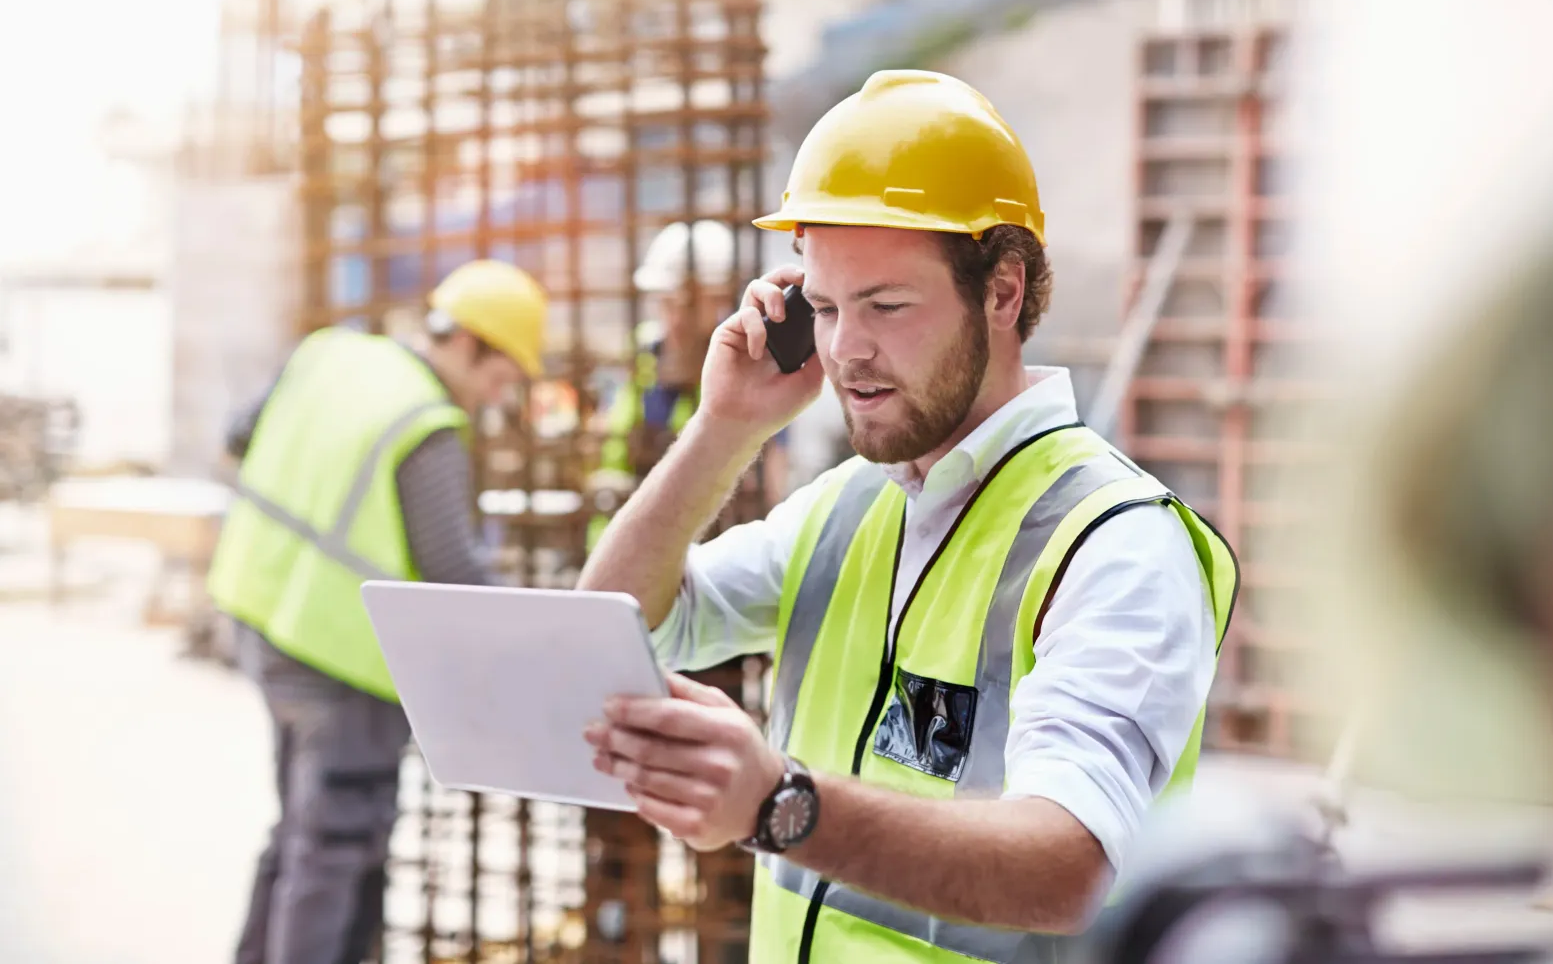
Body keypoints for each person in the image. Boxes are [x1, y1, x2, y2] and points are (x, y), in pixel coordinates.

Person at [579, 69, 1238, 961]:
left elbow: (1072, 863)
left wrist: (782, 805)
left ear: (1003, 292)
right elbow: (616, 627)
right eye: (822, 307)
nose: (847, 348)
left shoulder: (1116, 542)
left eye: (885, 304)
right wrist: (722, 428)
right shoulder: (849, 507)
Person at [208, 258, 547, 964]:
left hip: (259, 618)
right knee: (334, 847)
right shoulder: (427, 425)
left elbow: (238, 436)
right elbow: (453, 573)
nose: (496, 395)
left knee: (299, 832)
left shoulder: (328, 354)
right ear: (467, 342)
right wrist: (544, 631)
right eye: (501, 374)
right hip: (342, 657)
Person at [587, 219, 789, 550]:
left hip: (710, 551)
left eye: (689, 303)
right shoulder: (643, 357)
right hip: (628, 543)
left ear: (723, 297)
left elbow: (772, 482)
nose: (676, 318)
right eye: (668, 303)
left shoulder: (751, 366)